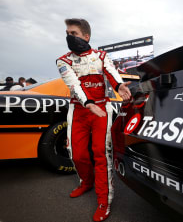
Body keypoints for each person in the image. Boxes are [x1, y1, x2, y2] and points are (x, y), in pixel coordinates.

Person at [56, 18, 131, 222]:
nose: (69, 37)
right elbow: (73, 85)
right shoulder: (63, 60)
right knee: (77, 154)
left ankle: (103, 201)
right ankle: (86, 182)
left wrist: (120, 86)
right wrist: (87, 102)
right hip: (79, 109)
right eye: (67, 33)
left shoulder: (101, 55)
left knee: (101, 154)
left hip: (102, 109)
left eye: (73, 34)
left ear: (86, 36)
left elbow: (112, 72)